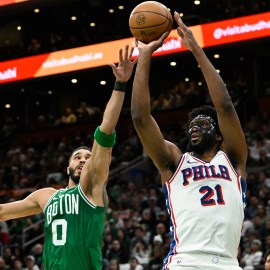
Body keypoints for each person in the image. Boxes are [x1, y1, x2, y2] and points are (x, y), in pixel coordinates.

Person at [0, 44, 137, 270]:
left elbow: (105, 132)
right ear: (67, 168)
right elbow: (4, 212)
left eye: (87, 156)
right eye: (77, 157)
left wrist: (120, 84)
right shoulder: (45, 197)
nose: (83, 159)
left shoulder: (91, 187)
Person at [131, 11, 248, 270]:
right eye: (191, 125)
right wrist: (145, 55)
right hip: (185, 262)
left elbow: (225, 106)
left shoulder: (233, 159)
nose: (194, 128)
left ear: (219, 135)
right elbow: (140, 117)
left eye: (203, 124)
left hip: (229, 264)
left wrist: (195, 48)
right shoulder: (173, 161)